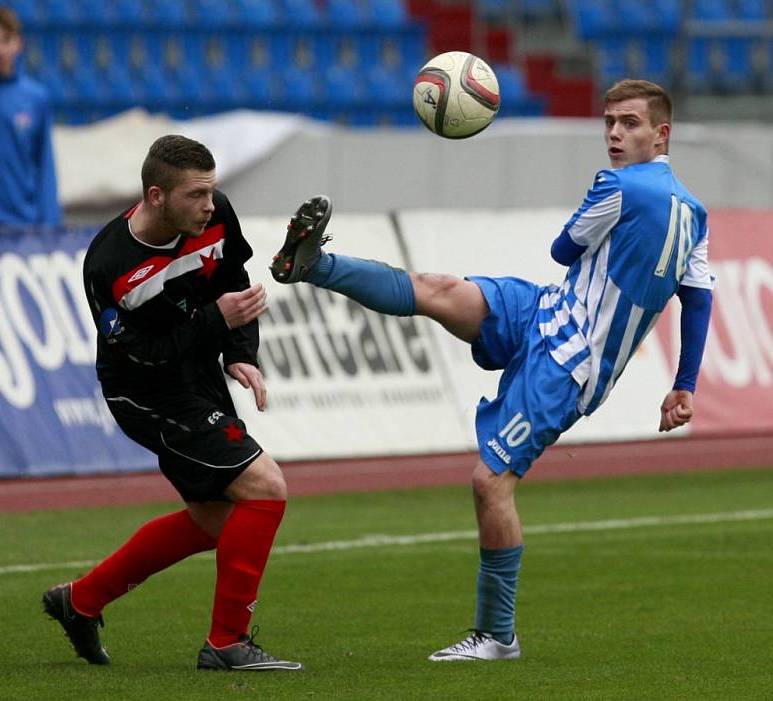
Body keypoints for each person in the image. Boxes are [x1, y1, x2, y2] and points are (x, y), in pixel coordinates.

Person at [270, 79, 713, 661]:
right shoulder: (696, 215)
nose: (613, 133)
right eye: (609, 121)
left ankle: (498, 636)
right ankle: (314, 264)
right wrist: (684, 386)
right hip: (547, 311)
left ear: (662, 134)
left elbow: (563, 247)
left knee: (489, 483)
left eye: (629, 123)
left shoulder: (619, 185)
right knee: (440, 290)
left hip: (569, 364)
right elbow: (698, 299)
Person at [42, 135, 301, 672]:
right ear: (157, 196)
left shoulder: (216, 214)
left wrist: (240, 353)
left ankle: (80, 601)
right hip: (143, 389)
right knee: (266, 485)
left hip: (198, 373)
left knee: (214, 521)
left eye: (212, 191)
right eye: (196, 195)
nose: (210, 205)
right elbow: (145, 354)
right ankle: (226, 642)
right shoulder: (109, 262)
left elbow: (233, 284)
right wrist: (215, 323)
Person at [0, 6, 60, 227]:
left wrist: (50, 226)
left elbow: (44, 165)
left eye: (5, 40)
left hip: (20, 226)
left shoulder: (36, 98)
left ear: (19, 44)